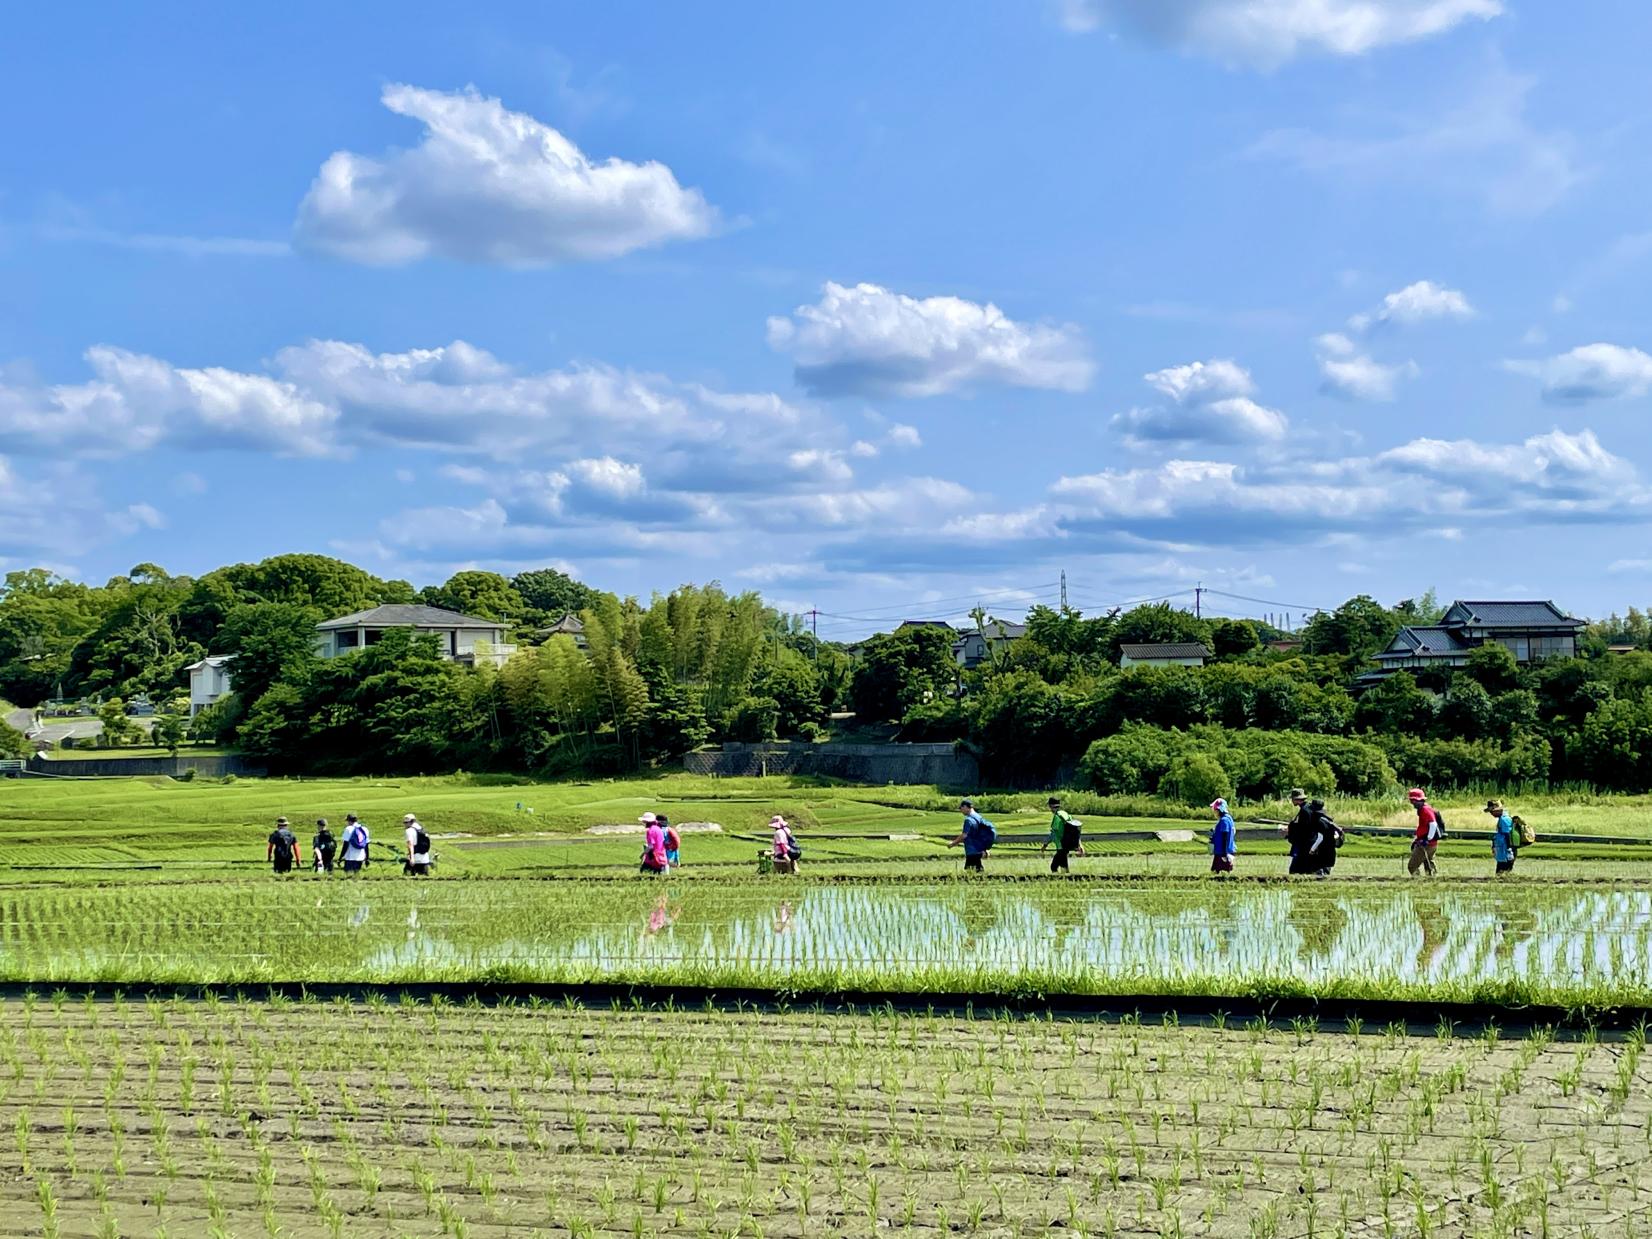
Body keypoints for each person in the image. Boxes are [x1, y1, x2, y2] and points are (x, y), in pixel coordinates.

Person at [947, 798, 996, 873]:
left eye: (961, 808)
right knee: (977, 870)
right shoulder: (978, 817)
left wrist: (953, 844)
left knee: (971, 872)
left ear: (966, 807)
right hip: (978, 848)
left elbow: (964, 835)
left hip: (972, 850)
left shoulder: (968, 820)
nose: (960, 810)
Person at [1041, 796, 1084, 874]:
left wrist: (1045, 845)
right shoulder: (1065, 814)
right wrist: (1079, 844)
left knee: (1054, 867)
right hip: (1066, 845)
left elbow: (1053, 834)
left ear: (1051, 806)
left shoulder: (1057, 817)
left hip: (1061, 846)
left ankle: (1063, 883)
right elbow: (1074, 830)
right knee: (1063, 868)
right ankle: (1065, 881)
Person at [1407, 788, 1441, 876]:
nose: (1412, 804)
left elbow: (1433, 824)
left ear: (1418, 800)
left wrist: (1427, 839)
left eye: (1413, 801)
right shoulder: (1424, 809)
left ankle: (1417, 881)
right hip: (1430, 843)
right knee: (1429, 865)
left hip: (1427, 844)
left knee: (1412, 866)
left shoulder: (1425, 810)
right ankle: (1431, 881)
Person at [1486, 799, 1517, 876]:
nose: (1491, 813)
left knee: (1501, 873)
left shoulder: (1504, 819)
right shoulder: (1502, 818)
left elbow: (1508, 835)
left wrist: (1509, 850)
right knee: (1501, 873)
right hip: (1503, 851)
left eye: (1492, 811)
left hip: (1506, 852)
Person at [1209, 798, 1236, 878]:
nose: (1214, 812)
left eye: (1215, 810)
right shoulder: (1228, 819)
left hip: (1222, 851)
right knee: (1219, 873)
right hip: (1222, 851)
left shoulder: (1224, 820)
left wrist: (1224, 854)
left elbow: (1225, 836)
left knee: (1219, 873)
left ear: (1220, 810)